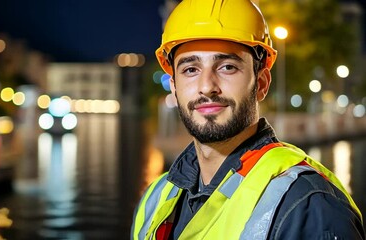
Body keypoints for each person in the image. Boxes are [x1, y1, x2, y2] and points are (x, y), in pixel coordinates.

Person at [131, 0, 365, 239]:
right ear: (174, 87)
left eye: (227, 67)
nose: (207, 86)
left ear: (261, 83)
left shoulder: (309, 205)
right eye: (190, 69)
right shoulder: (155, 198)